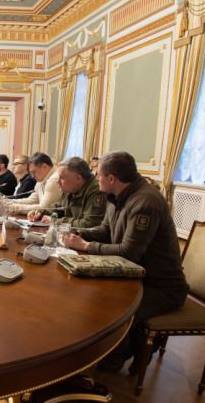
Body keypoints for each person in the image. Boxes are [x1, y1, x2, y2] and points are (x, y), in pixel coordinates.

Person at [62, 151, 188, 374]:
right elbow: (106, 230)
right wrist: (77, 232)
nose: (95, 178)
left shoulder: (145, 202)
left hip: (159, 286)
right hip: (132, 275)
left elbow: (129, 253)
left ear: (111, 178)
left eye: (98, 175)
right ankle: (105, 351)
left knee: (112, 308)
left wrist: (86, 246)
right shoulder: (116, 195)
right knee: (87, 294)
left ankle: (114, 360)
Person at [28, 157, 105, 228]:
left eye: (62, 178)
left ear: (78, 178)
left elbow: (89, 224)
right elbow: (60, 207)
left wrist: (57, 221)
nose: (58, 181)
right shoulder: (71, 188)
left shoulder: (96, 190)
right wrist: (41, 213)